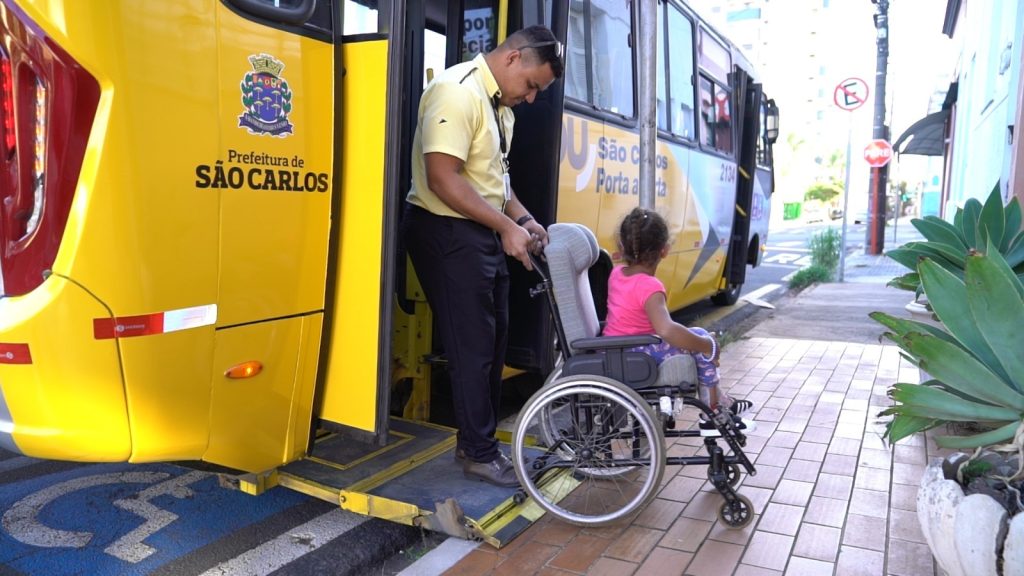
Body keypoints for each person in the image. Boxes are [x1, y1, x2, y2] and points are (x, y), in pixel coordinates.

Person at [402, 26, 564, 487]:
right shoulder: (457, 93)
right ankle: (478, 452)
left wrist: (525, 220)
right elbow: (443, 179)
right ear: (513, 58)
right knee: (472, 348)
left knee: (493, 346)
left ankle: (474, 442)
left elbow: (494, 181)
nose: (532, 99)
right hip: (446, 231)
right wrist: (507, 228)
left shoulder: (498, 108)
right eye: (532, 86)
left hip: (480, 232)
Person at [603, 207, 752, 416]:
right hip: (635, 352)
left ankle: (717, 398)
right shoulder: (650, 287)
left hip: (614, 349)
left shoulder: (617, 273)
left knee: (697, 336)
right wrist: (707, 345)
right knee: (701, 341)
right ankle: (714, 406)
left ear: (622, 245)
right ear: (664, 250)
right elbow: (666, 330)